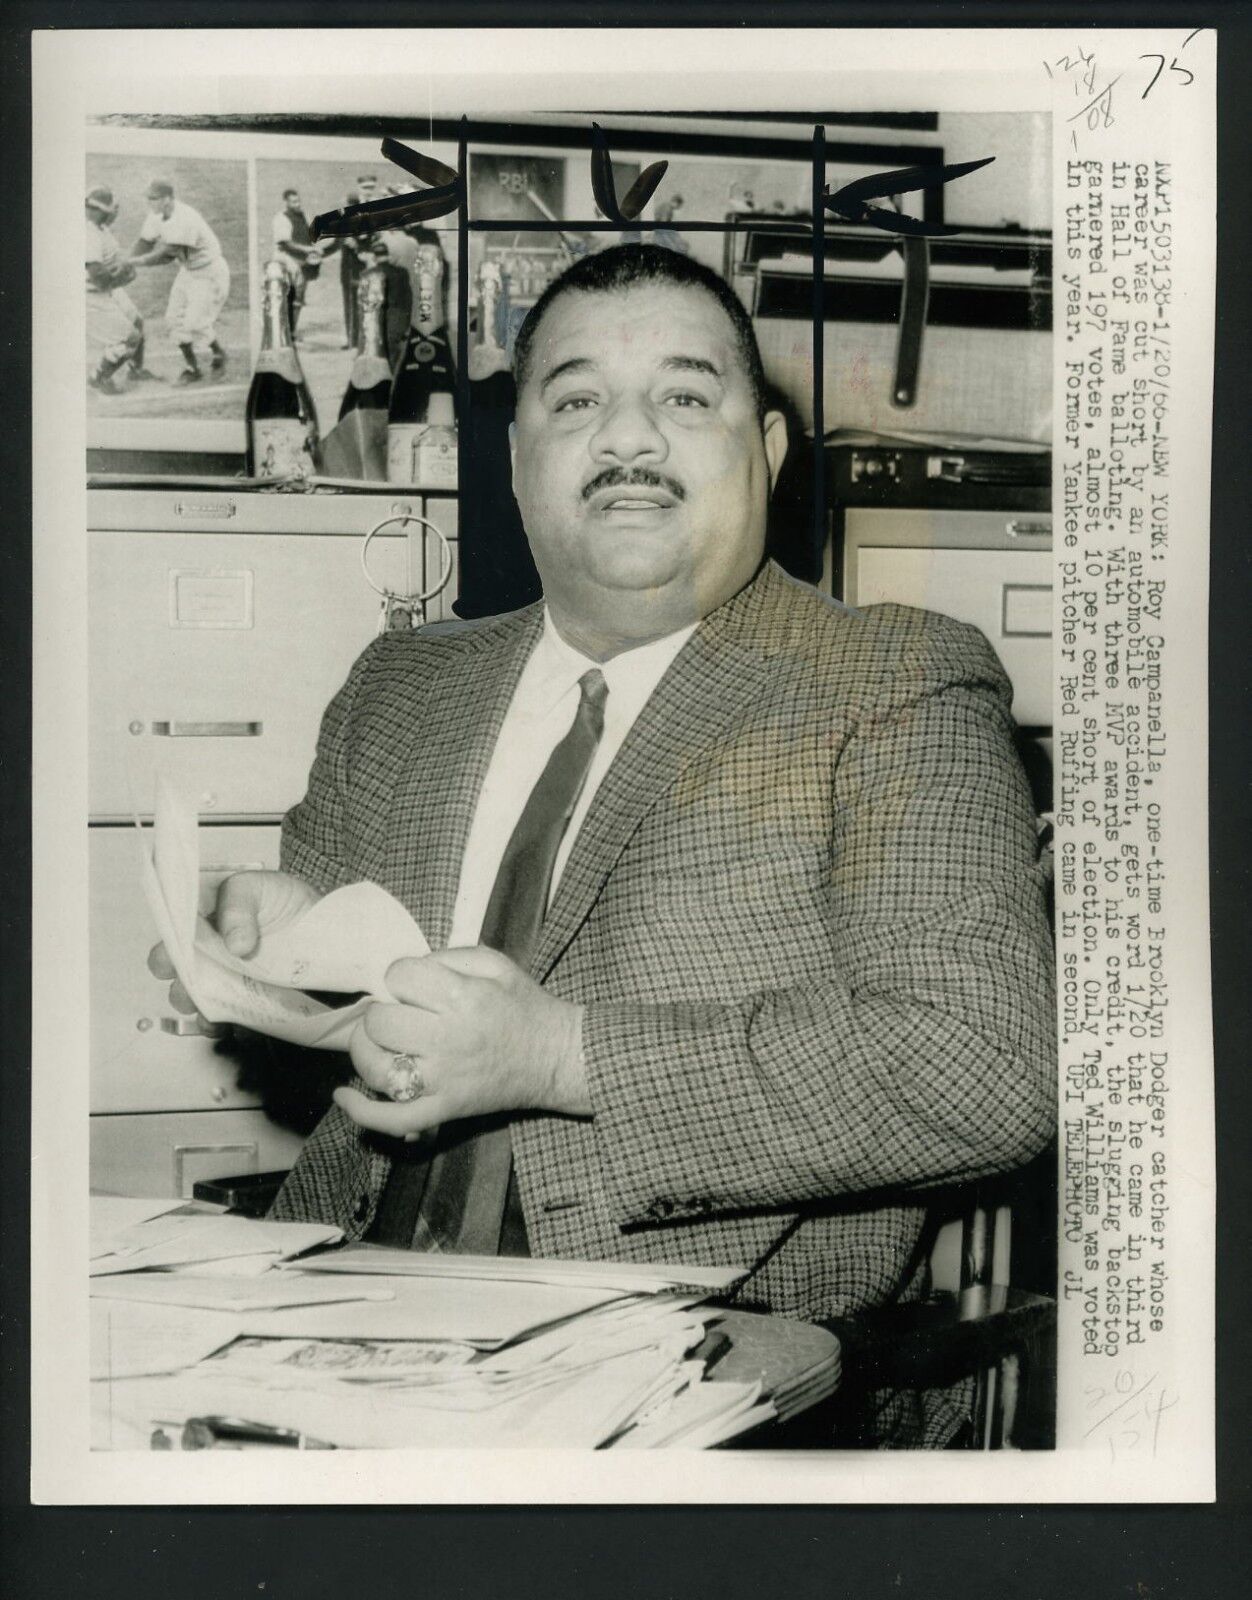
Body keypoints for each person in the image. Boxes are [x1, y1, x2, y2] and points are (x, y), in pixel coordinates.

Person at [151, 244, 1055, 1446]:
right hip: (332, 1325)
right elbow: (326, 1069)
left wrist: (557, 1057)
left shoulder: (894, 675)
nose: (628, 440)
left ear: (769, 455)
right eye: (575, 401)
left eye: (686, 396)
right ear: (518, 460)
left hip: (703, 1370)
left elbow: (985, 1067)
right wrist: (279, 963)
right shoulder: (399, 686)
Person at [129, 179, 231, 385]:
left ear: (168, 199)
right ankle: (192, 368)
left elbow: (167, 255)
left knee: (195, 323)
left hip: (209, 272)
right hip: (188, 271)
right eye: (148, 198)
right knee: (173, 319)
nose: (150, 202)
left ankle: (219, 352)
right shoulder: (156, 215)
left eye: (154, 198)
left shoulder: (186, 218)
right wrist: (128, 262)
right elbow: (145, 242)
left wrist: (134, 262)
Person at [84, 187, 159, 393]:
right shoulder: (88, 235)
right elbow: (100, 279)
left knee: (136, 320)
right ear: (104, 210)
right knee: (129, 338)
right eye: (114, 209)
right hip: (90, 296)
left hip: (103, 289)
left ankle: (136, 370)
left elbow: (114, 262)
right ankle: (99, 378)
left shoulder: (100, 228)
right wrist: (125, 277)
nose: (116, 213)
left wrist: (125, 266)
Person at [270, 187, 326, 336]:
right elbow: (286, 243)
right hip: (287, 258)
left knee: (299, 297)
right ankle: (283, 331)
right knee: (289, 295)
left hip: (303, 260)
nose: (298, 204)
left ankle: (291, 331)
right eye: (294, 201)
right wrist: (307, 250)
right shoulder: (281, 218)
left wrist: (315, 248)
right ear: (286, 203)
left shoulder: (304, 216)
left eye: (298, 200)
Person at [338, 173, 379, 349]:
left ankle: (368, 337)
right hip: (350, 261)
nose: (368, 192)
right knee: (350, 298)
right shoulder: (350, 205)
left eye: (371, 188)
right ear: (359, 188)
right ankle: (352, 339)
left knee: (371, 297)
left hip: (371, 258)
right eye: (365, 188)